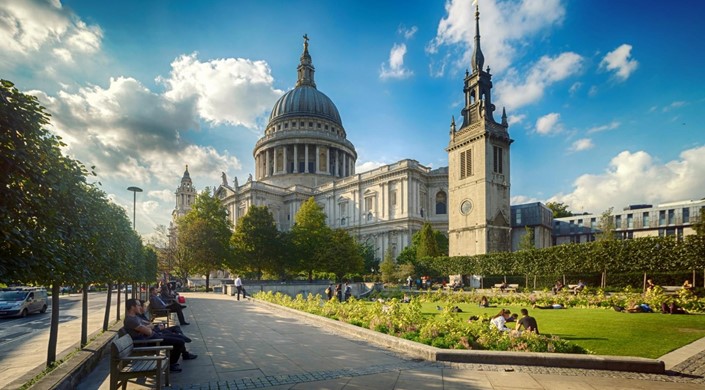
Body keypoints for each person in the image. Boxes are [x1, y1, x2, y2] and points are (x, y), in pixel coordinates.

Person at [124, 299, 197, 373]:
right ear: (132, 307)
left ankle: (183, 344)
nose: (140, 307)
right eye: (138, 305)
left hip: (153, 336)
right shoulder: (131, 320)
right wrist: (149, 327)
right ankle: (171, 364)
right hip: (148, 341)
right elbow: (148, 331)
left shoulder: (135, 317)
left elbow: (149, 326)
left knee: (177, 337)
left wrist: (148, 327)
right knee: (179, 341)